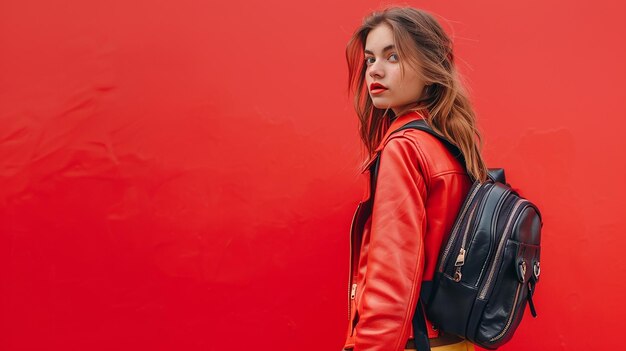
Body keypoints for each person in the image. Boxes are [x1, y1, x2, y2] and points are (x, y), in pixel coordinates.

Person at [341, 6, 489, 351]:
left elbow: (393, 276)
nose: (375, 70)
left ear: (429, 66)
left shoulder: (404, 147)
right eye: (370, 59)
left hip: (411, 341)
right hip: (455, 341)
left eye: (393, 57)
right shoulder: (450, 143)